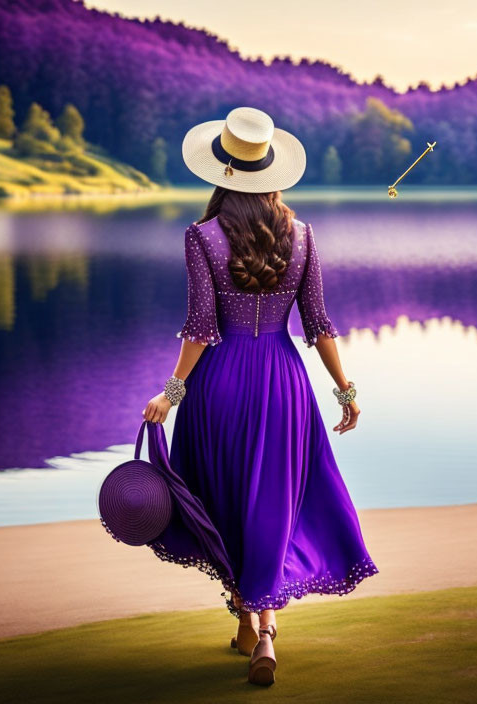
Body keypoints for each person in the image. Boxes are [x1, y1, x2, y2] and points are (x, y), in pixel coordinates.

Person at [142, 106, 378, 686]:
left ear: (221, 170)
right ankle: (262, 631)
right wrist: (346, 389)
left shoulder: (202, 236)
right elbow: (319, 322)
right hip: (284, 383)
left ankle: (251, 622)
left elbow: (200, 327)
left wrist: (170, 394)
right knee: (269, 502)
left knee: (224, 500)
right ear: (273, 171)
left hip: (220, 385)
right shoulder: (302, 236)